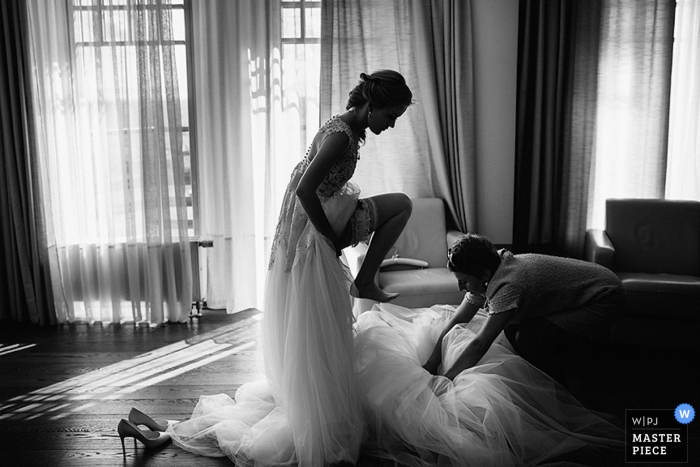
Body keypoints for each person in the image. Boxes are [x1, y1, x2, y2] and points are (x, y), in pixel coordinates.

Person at [165, 70, 414, 466]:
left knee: (397, 209)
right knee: (401, 204)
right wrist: (329, 240)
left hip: (313, 223)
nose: (392, 124)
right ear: (371, 105)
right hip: (316, 229)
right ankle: (364, 282)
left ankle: (363, 283)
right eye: (391, 115)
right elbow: (303, 189)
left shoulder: (345, 127)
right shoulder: (340, 136)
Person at [423, 233, 624, 383]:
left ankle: (560, 386)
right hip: (589, 289)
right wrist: (432, 363)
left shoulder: (508, 284)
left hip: (604, 298)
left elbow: (480, 344)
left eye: (464, 281)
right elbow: (458, 319)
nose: (460, 287)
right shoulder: (491, 267)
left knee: (528, 337)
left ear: (484, 274)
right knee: (511, 328)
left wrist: (447, 380)